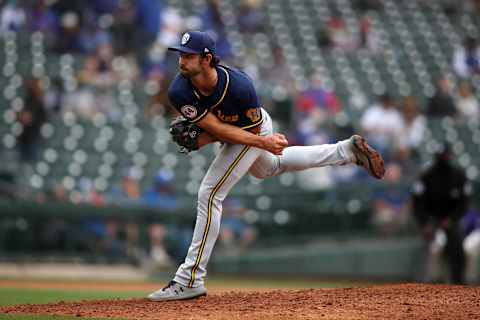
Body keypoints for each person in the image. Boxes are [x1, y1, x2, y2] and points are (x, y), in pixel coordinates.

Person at [147, 31, 385, 301]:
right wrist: (205, 138)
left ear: (207, 59)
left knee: (210, 193)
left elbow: (244, 132)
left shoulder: (239, 86)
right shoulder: (179, 90)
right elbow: (215, 129)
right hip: (241, 134)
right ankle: (345, 150)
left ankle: (189, 278)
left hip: (256, 129)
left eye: (188, 56)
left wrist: (264, 142)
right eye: (180, 54)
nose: (181, 60)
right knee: (268, 168)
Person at [412, 145, 470, 284]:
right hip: (432, 219)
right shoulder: (426, 175)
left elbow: (464, 202)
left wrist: (451, 219)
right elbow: (417, 202)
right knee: (431, 248)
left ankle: (459, 283)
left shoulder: (458, 175)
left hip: (452, 219)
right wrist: (425, 222)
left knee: (457, 247)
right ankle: (428, 283)